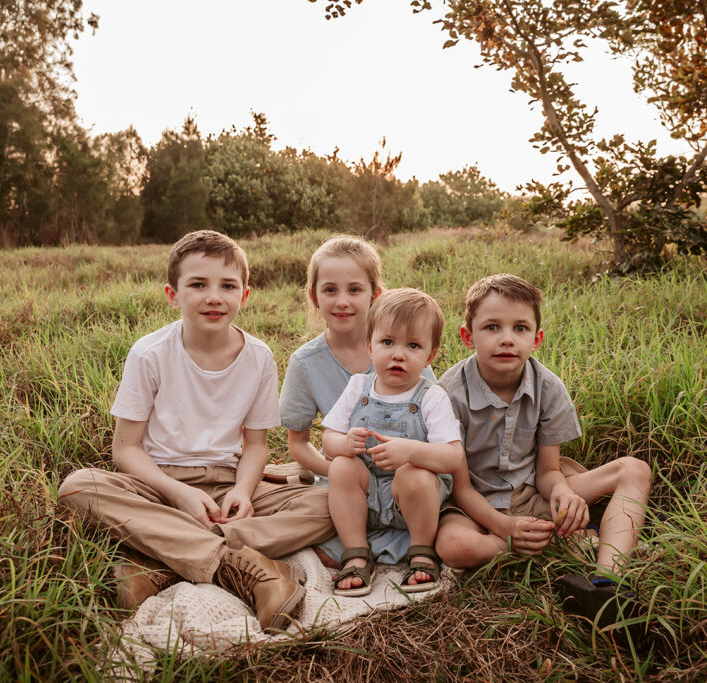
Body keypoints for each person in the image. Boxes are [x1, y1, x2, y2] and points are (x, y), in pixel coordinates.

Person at [57, 230, 334, 632]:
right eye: (198, 284)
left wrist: (242, 490)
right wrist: (179, 493)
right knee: (77, 488)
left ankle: (162, 561)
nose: (214, 297)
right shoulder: (149, 353)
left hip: (227, 483)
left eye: (227, 286)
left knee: (330, 503)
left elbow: (256, 446)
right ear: (173, 294)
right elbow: (126, 450)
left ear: (245, 295)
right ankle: (245, 567)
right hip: (157, 484)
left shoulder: (258, 357)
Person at [435, 274, 652, 628]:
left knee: (634, 470)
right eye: (492, 327)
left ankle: (606, 581)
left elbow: (549, 471)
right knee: (454, 547)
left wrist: (564, 494)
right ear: (467, 336)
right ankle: (569, 539)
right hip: (473, 501)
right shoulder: (448, 393)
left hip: (532, 490)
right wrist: (506, 528)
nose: (507, 339)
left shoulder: (549, 387)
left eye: (520, 328)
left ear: (536, 339)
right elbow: (459, 487)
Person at [278, 235, 433, 568]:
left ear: (375, 295)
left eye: (354, 290)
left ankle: (408, 540)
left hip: (404, 474)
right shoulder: (305, 362)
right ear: (314, 296)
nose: (342, 301)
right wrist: (336, 471)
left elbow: (433, 427)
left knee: (437, 510)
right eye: (330, 290)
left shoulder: (403, 352)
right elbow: (299, 445)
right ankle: (356, 544)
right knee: (312, 514)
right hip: (344, 476)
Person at [321, 288, 463, 596]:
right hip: (366, 498)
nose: (398, 354)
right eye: (387, 342)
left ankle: (422, 551)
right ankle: (357, 552)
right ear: (369, 345)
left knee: (415, 471)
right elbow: (328, 439)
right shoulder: (358, 386)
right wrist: (344, 443)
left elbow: (453, 457)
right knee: (343, 467)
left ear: (430, 355)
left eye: (413, 345)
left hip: (414, 502)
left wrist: (412, 451)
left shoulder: (430, 396)